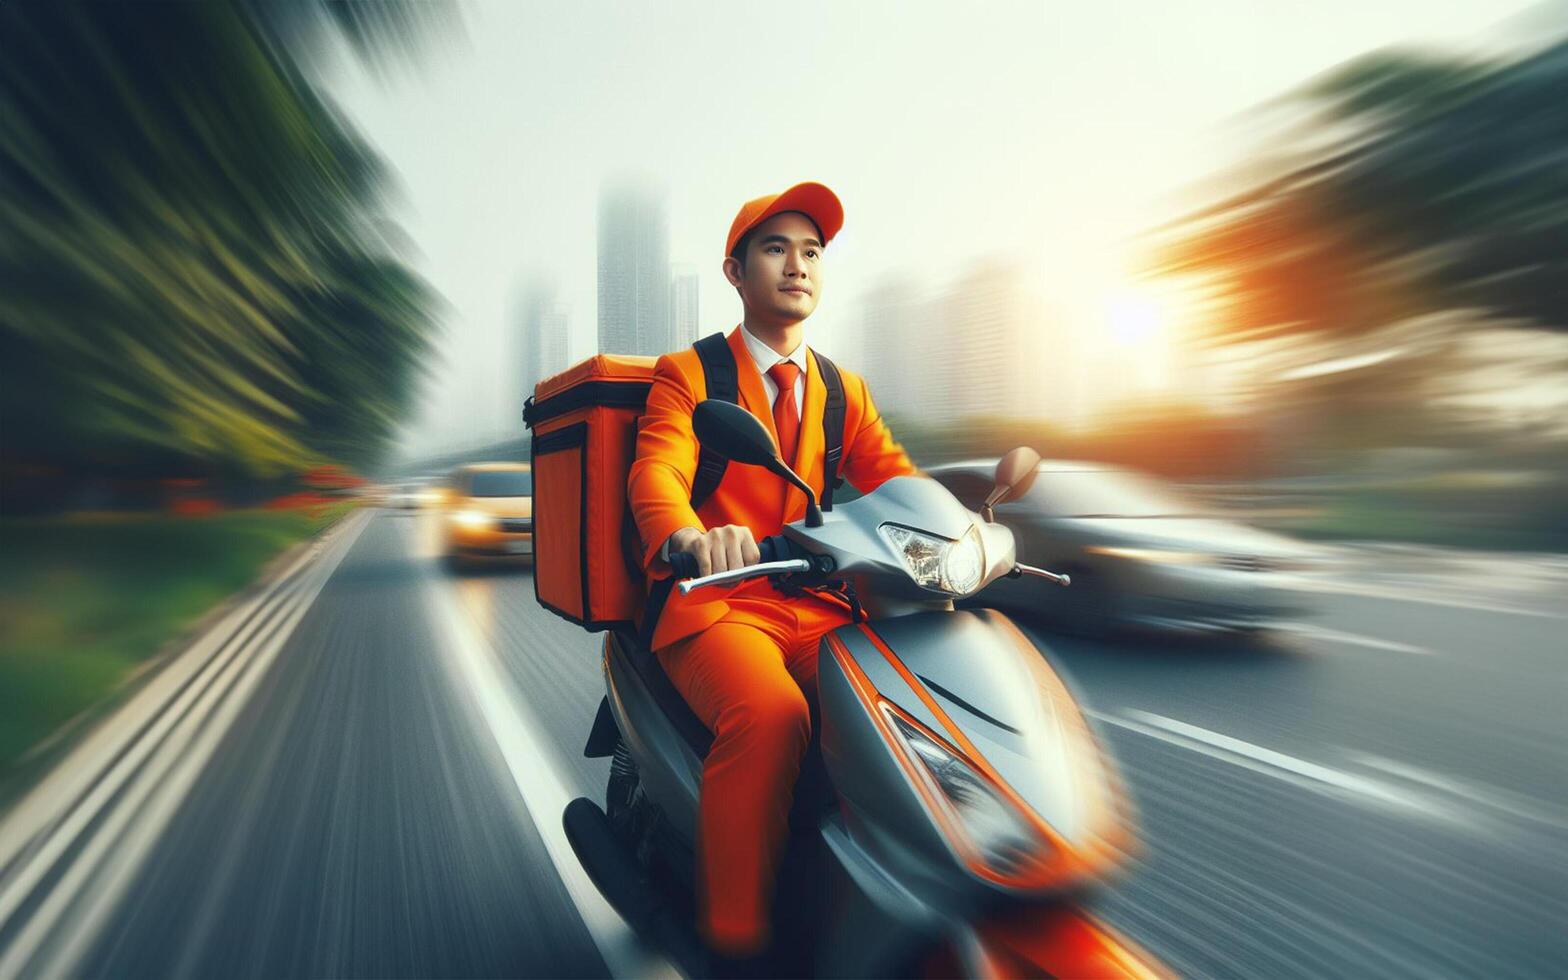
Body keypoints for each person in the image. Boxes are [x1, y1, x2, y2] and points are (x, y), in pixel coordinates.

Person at [627, 181, 917, 960]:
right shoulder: (689, 374)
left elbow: (897, 482)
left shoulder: (843, 391)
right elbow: (656, 469)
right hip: (716, 604)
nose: (799, 264)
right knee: (772, 715)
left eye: (813, 251)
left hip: (818, 606)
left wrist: (963, 530)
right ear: (735, 271)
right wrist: (690, 535)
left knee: (909, 711)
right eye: (776, 247)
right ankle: (735, 941)